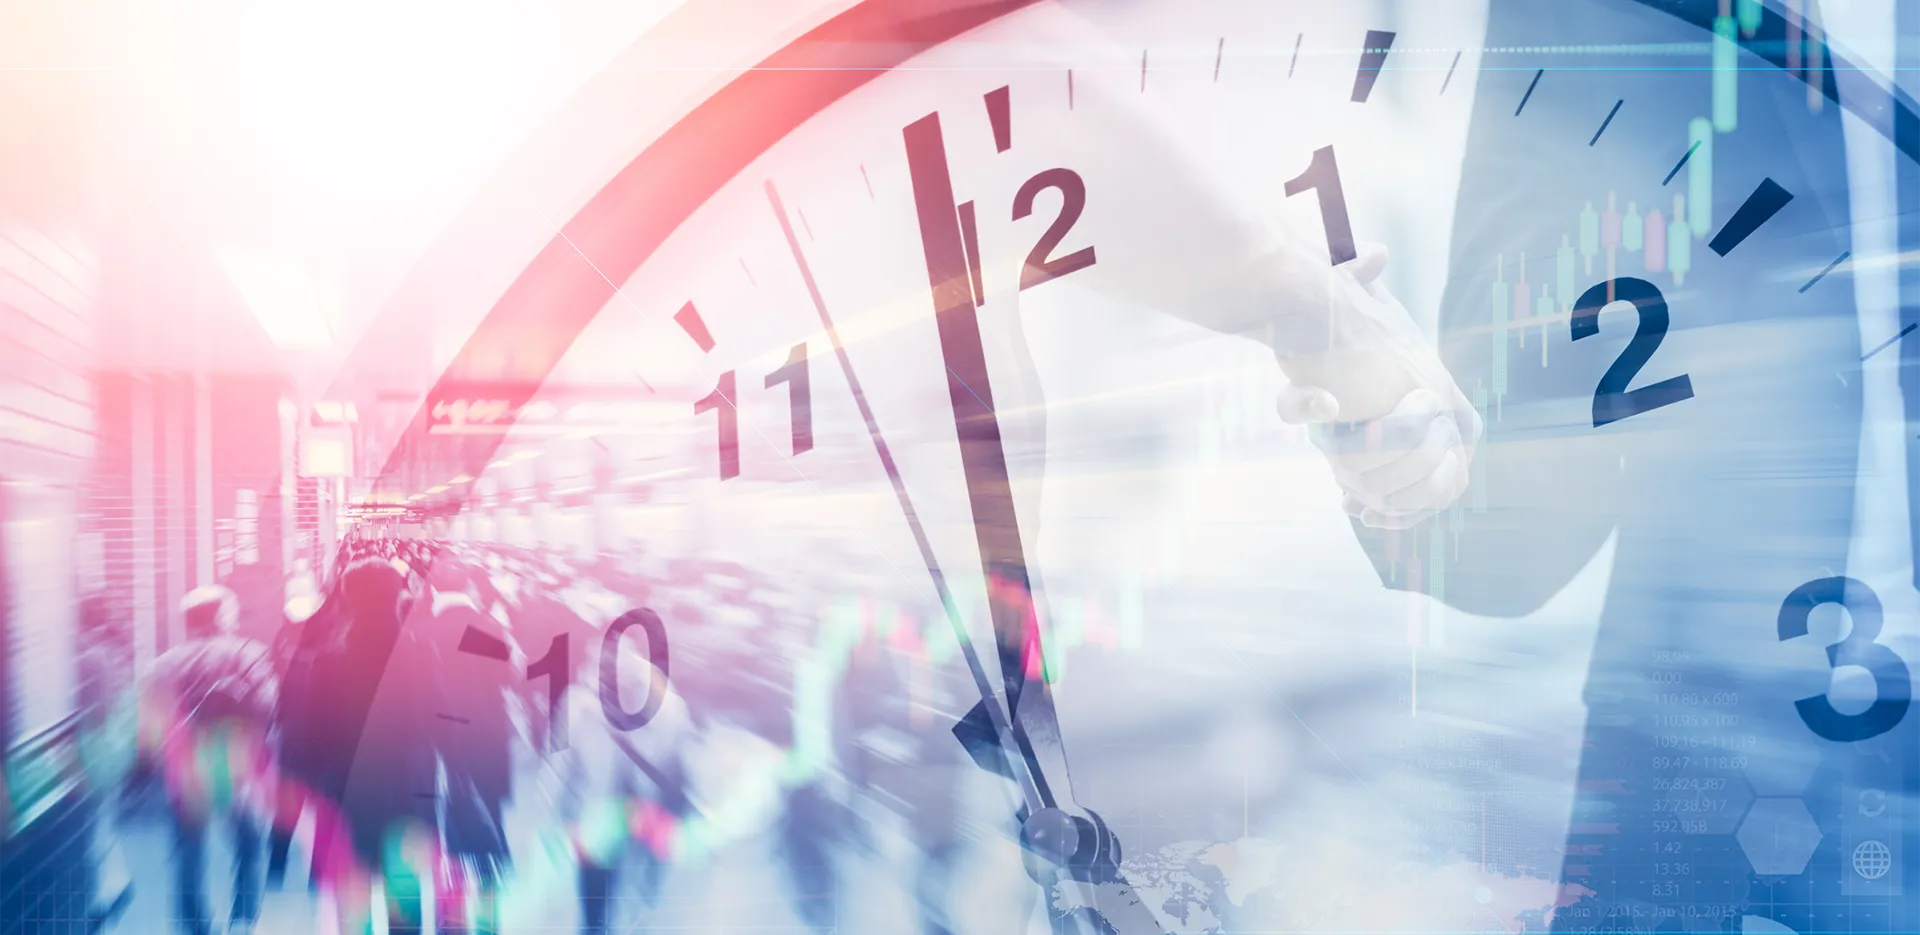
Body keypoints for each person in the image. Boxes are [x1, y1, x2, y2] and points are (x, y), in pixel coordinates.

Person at [139, 585, 278, 935]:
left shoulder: (162, 665)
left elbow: (150, 725)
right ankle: (242, 921)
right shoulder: (248, 654)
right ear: (221, 617)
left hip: (184, 768)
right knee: (249, 842)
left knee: (188, 849)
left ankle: (196, 925)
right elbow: (267, 708)